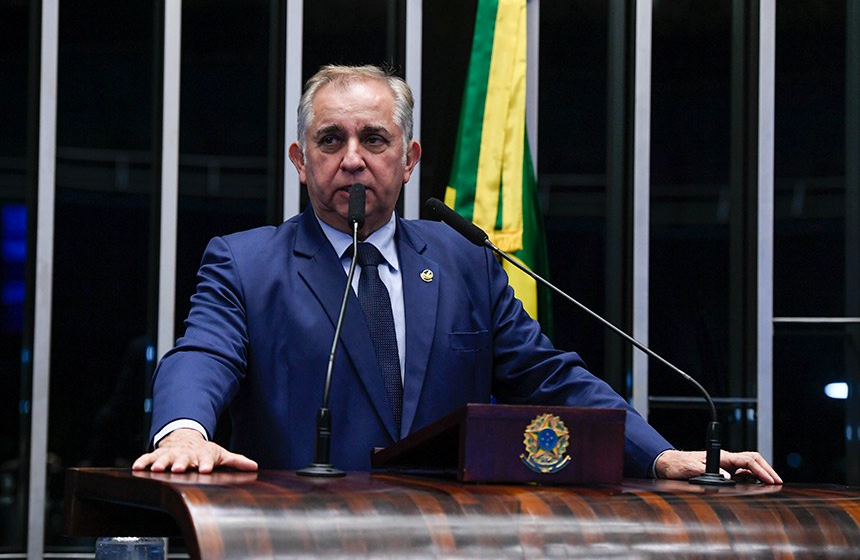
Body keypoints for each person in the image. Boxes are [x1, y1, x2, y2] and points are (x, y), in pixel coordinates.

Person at [133, 65, 781, 484]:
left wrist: (660, 453)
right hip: (300, 540)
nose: (352, 159)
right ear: (301, 161)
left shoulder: (464, 260)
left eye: (375, 140)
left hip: (447, 540)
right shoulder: (246, 262)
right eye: (331, 141)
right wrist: (186, 428)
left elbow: (550, 376)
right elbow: (202, 353)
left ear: (409, 159)